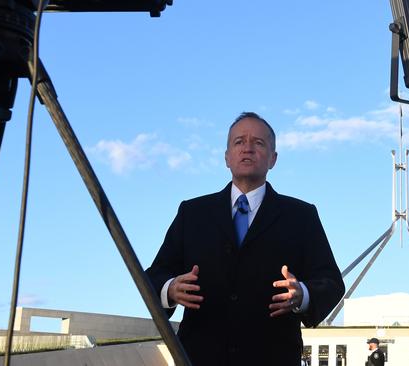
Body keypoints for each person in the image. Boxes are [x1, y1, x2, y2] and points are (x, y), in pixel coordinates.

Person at [146, 112, 345, 366]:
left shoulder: (302, 216)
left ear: (273, 159)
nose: (247, 148)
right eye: (239, 142)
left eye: (258, 143)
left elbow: (331, 281)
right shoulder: (192, 213)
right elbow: (154, 276)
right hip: (199, 358)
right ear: (227, 157)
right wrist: (170, 289)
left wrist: (302, 294)